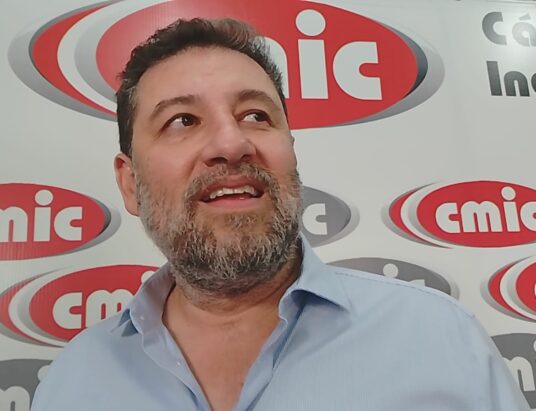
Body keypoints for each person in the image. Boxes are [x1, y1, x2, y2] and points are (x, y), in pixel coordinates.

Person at [31, 18, 529, 411]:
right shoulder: (75, 380)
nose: (232, 143)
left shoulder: (441, 340)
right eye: (182, 120)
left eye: (256, 115)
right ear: (129, 184)